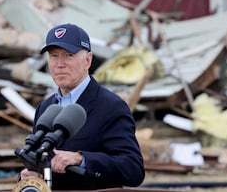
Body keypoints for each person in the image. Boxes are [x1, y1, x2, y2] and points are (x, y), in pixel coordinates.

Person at [19, 23, 145, 190]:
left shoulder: (111, 106)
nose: (60, 64)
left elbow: (133, 169)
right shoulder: (46, 107)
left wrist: (81, 159)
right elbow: (38, 160)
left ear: (88, 60)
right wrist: (30, 175)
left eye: (69, 55)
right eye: (54, 55)